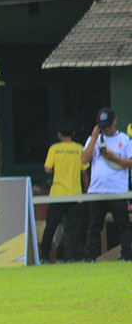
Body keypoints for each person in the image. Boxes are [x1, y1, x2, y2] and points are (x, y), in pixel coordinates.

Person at [81, 107, 132, 261]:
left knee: (122, 224)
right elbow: (84, 159)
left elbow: (130, 162)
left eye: (108, 126)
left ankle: (127, 255)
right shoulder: (94, 139)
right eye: (102, 126)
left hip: (118, 190)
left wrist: (113, 157)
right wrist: (94, 138)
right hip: (97, 190)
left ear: (115, 121)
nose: (105, 129)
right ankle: (91, 256)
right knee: (94, 226)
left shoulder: (124, 139)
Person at [39, 120, 88, 262]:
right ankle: (71, 257)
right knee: (73, 229)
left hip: (58, 194)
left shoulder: (54, 149)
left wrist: (58, 171)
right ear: (73, 133)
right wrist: (87, 189)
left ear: (59, 134)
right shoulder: (79, 148)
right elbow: (84, 172)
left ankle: (45, 256)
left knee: (51, 226)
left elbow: (47, 169)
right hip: (75, 194)